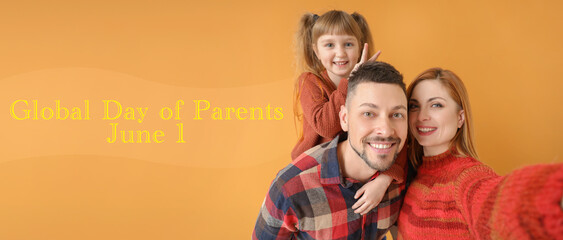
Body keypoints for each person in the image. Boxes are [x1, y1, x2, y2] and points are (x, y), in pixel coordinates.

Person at [397, 68, 563, 239]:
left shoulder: (467, 177)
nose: (422, 116)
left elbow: (497, 202)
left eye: (436, 105)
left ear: (460, 118)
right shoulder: (409, 171)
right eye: (414, 106)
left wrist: (553, 194)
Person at [253, 62, 409, 239]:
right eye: (368, 114)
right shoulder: (290, 187)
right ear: (344, 119)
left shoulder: (403, 177)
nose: (386, 130)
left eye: (397, 115)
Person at [291, 10, 407, 215]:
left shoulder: (370, 87)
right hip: (315, 173)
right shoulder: (310, 82)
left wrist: (383, 180)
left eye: (348, 44)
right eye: (329, 45)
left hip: (358, 174)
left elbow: (397, 136)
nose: (341, 53)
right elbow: (325, 125)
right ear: (316, 51)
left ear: (361, 46)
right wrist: (350, 81)